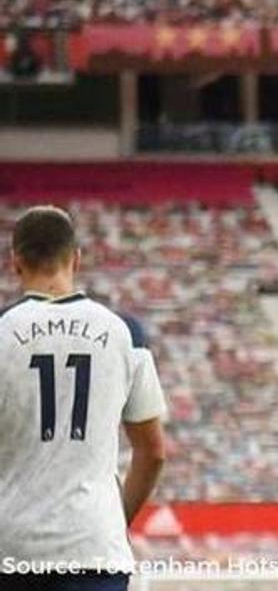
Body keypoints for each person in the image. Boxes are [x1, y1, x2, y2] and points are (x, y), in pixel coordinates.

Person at [0, 206, 168, 590]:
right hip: (95, 546)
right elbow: (153, 452)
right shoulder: (126, 333)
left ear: (15, 262)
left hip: (13, 550)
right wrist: (114, 518)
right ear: (76, 258)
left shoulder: (2, 332)